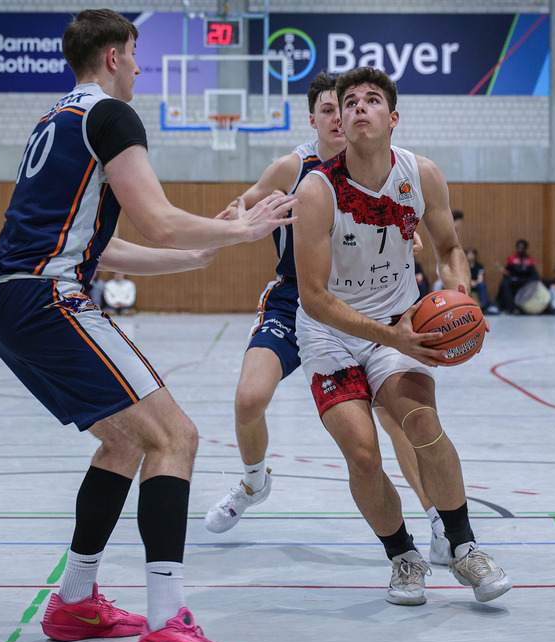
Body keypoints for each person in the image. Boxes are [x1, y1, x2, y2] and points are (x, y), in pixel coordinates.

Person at [0, 10, 297, 642]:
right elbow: (153, 220)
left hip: (7, 299)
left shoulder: (55, 120)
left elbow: (102, 247)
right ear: (116, 57)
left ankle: (74, 603)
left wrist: (204, 244)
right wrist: (237, 234)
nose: (143, 70)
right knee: (174, 437)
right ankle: (167, 628)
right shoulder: (112, 117)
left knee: (124, 441)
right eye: (138, 57)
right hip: (43, 298)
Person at [203, 72, 451, 567]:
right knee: (249, 398)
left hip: (371, 302)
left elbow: (409, 225)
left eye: (349, 107)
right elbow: (243, 206)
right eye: (330, 110)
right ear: (314, 118)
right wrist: (223, 225)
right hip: (299, 298)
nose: (343, 117)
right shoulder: (294, 168)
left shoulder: (384, 166)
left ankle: (440, 521)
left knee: (399, 418)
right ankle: (254, 482)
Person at [292, 66, 511, 606]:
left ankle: (464, 549)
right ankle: (404, 558)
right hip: (330, 335)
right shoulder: (317, 190)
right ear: (338, 120)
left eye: (372, 100)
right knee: (364, 455)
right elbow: (315, 297)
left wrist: (456, 294)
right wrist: (391, 339)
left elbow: (449, 248)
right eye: (350, 102)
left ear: (393, 118)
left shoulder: (421, 173)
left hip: (399, 321)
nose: (359, 107)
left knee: (422, 423)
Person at [496, 238, 538, 314]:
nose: (520, 250)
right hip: (514, 280)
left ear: (525, 249)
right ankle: (511, 308)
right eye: (518, 248)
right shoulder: (511, 258)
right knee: (504, 284)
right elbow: (507, 272)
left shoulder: (530, 259)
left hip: (525, 281)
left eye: (522, 248)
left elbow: (534, 274)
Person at [465, 246, 494, 312]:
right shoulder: (464, 266)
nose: (470, 256)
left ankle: (483, 306)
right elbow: (463, 277)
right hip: (467, 284)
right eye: (468, 254)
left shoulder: (479, 266)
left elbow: (480, 278)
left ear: (475, 255)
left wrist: (475, 282)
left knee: (482, 285)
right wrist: (470, 282)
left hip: (476, 284)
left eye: (471, 254)